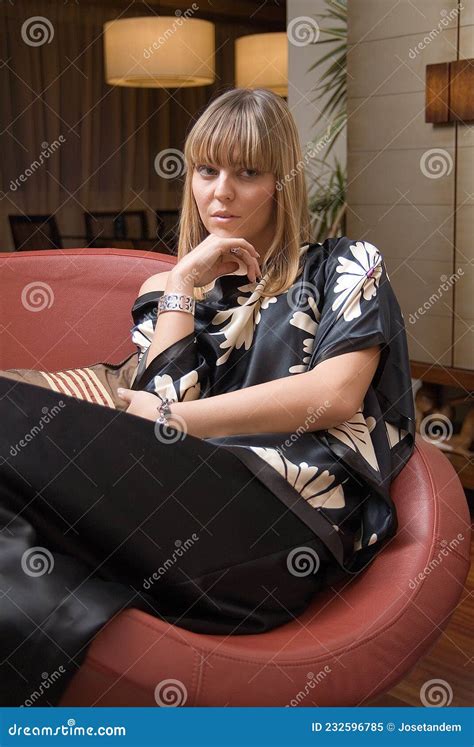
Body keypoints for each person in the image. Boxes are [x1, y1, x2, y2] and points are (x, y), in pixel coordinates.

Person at [0, 88, 416, 707]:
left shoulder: (346, 264)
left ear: (281, 182)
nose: (221, 191)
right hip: (171, 521)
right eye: (206, 169)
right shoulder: (169, 287)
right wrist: (181, 287)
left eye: (247, 173)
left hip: (275, 530)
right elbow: (153, 418)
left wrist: (176, 418)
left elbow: (332, 395)